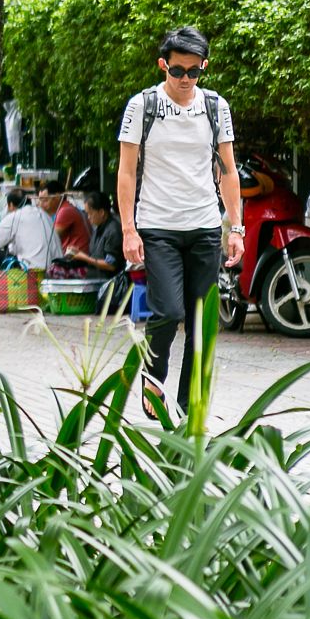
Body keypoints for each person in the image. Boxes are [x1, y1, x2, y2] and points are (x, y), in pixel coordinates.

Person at [117, 26, 239, 417]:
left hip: (204, 226)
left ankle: (191, 407)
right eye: (177, 71)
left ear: (204, 67)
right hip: (158, 227)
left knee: (202, 323)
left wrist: (234, 227)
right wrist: (128, 229)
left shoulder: (216, 107)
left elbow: (228, 170)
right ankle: (154, 382)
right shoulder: (143, 105)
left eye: (193, 71)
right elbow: (126, 172)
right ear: (163, 65)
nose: (185, 79)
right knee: (168, 311)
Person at [60, 190, 128, 315]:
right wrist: (77, 253)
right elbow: (96, 254)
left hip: (108, 282)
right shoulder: (99, 228)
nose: (88, 217)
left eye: (90, 214)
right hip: (96, 276)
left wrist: (84, 258)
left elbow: (110, 265)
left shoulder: (113, 230)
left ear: (101, 212)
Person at [0, 188, 58, 270]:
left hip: (32, 269)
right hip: (55, 266)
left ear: (11, 205)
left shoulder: (15, 216)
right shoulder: (43, 213)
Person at [40, 183, 90, 255]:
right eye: (40, 200)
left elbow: (50, 239)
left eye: (45, 200)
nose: (41, 205)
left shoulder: (65, 211)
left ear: (57, 197)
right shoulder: (64, 208)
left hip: (76, 259)